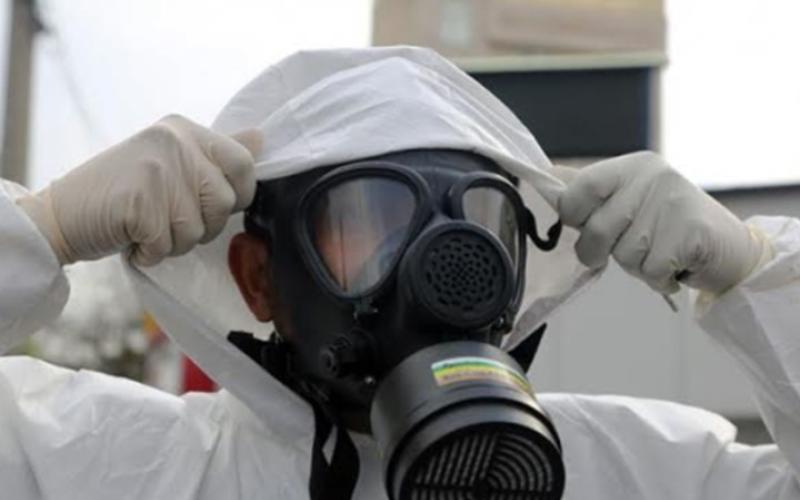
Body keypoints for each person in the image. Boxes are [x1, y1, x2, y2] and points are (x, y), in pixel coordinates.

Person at [0, 47, 798, 499]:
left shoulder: (637, 470)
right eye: (373, 222)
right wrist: (42, 229)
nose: (447, 267)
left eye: (480, 221)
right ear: (260, 278)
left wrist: (760, 274)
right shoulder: (131, 467)